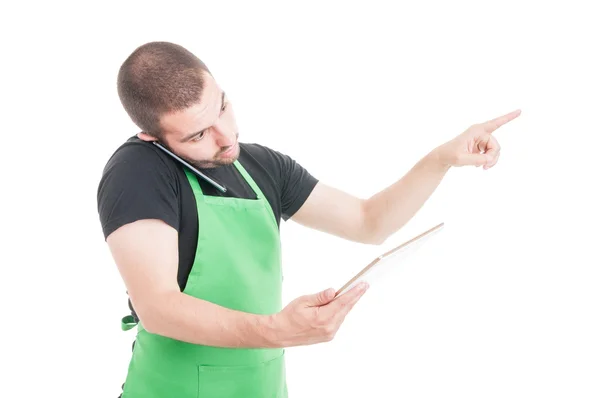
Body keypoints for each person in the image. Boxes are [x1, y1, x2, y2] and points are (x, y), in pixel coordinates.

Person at [97, 41, 520, 398]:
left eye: (222, 108)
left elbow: (368, 221)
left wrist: (441, 159)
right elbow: (159, 307)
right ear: (152, 137)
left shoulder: (262, 166)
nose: (227, 138)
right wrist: (277, 330)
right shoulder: (138, 172)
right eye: (198, 135)